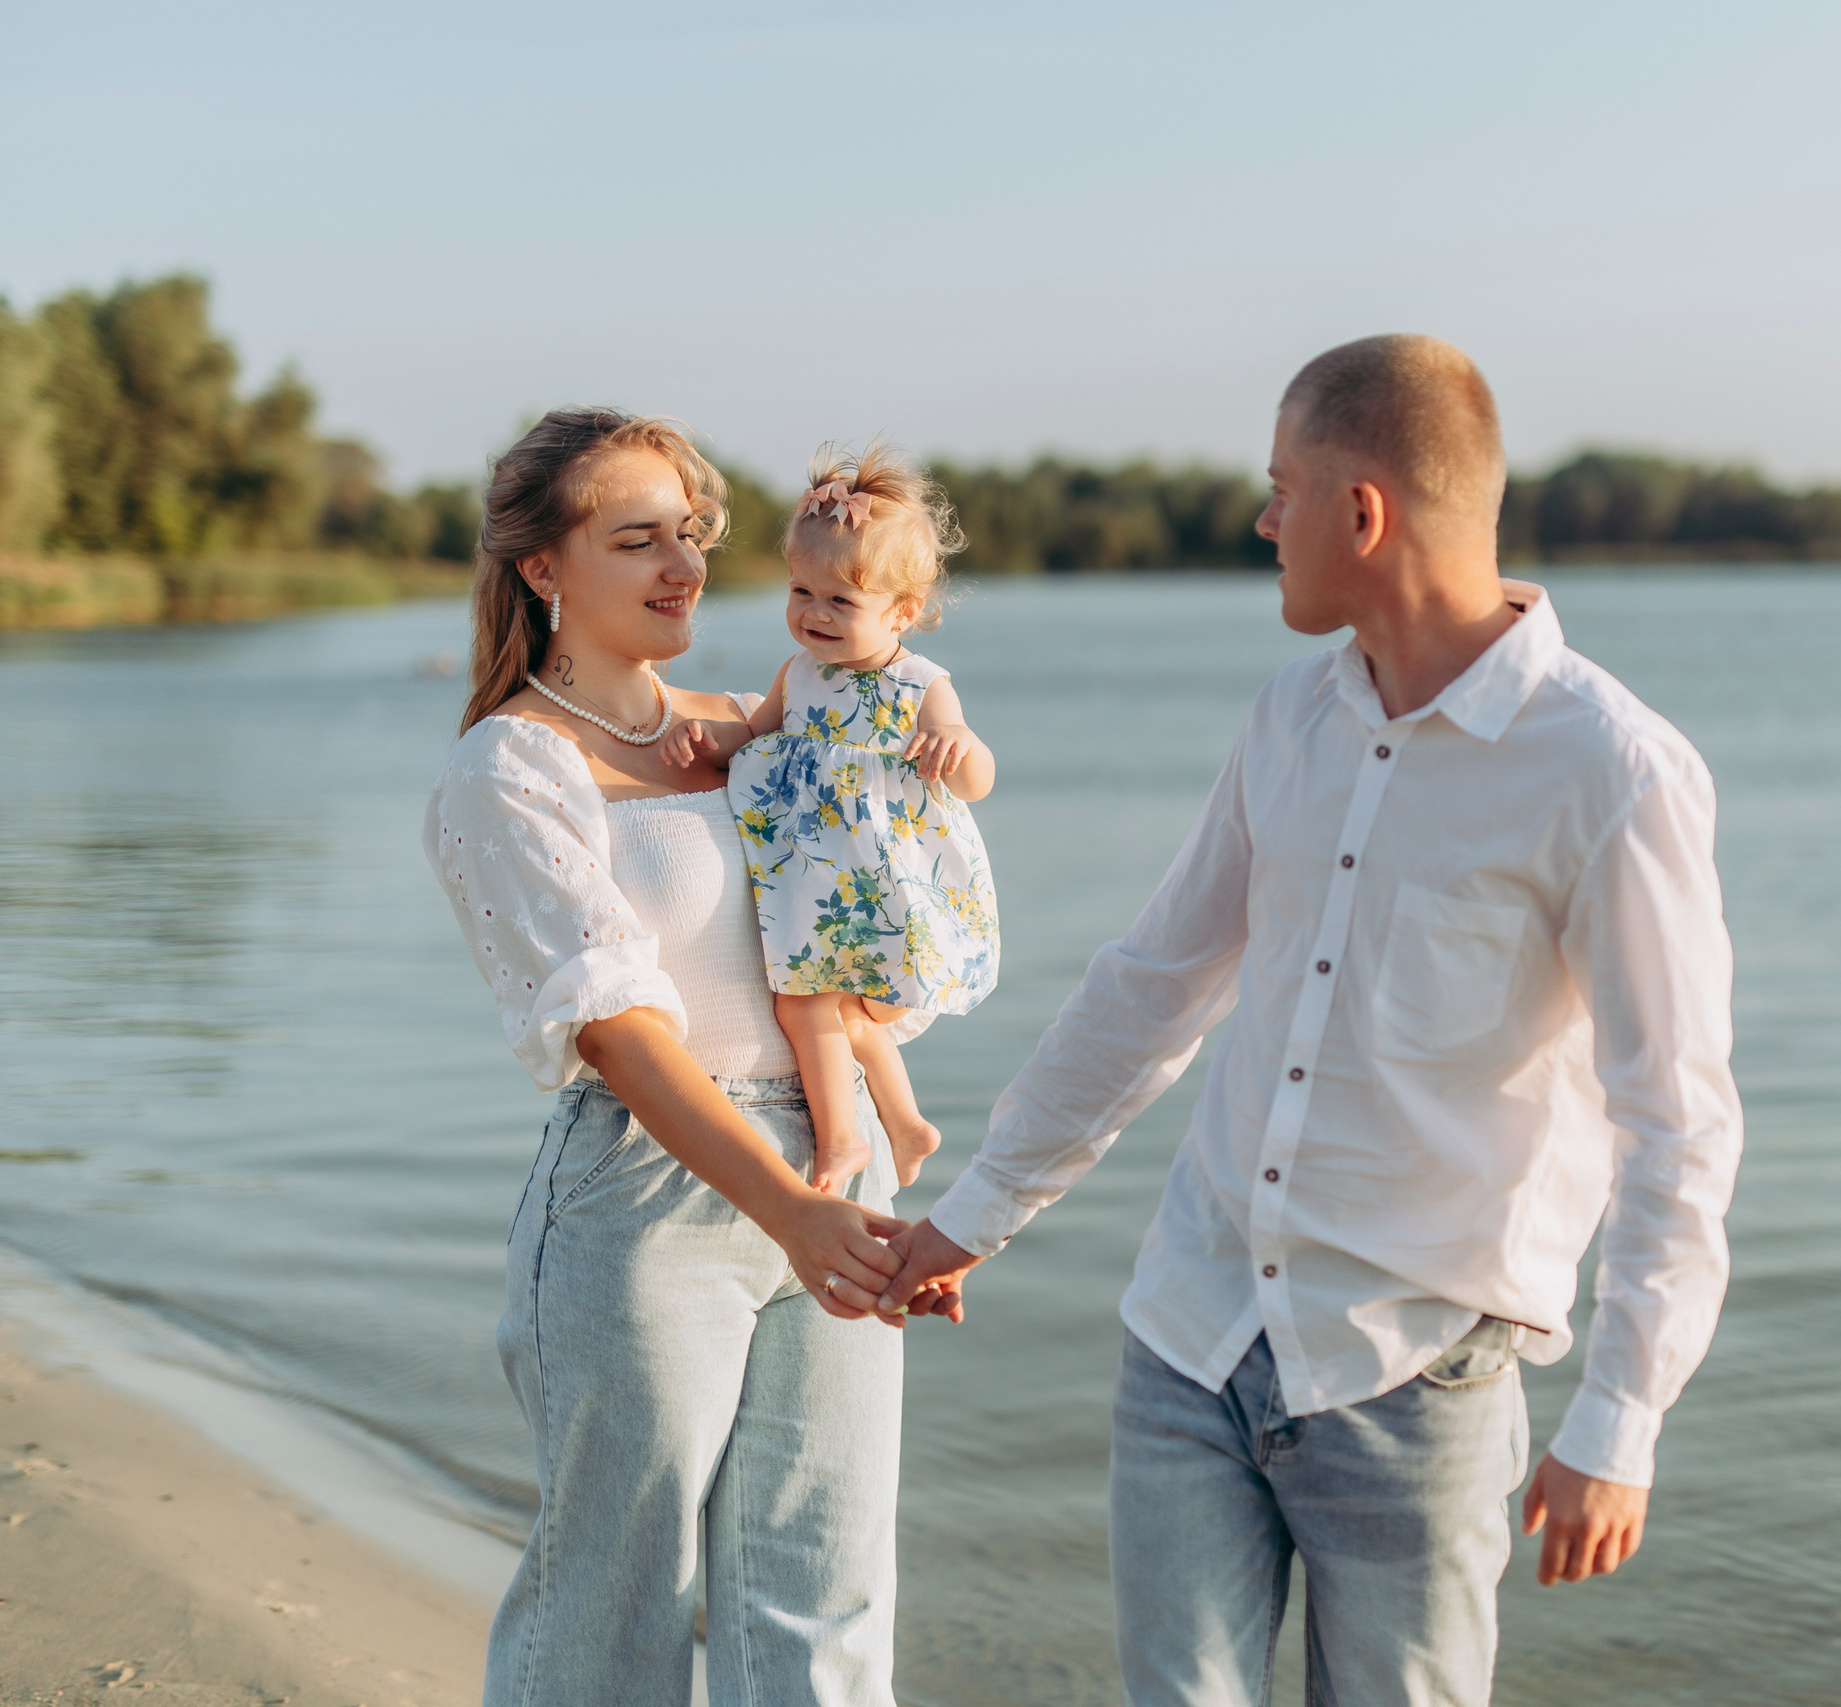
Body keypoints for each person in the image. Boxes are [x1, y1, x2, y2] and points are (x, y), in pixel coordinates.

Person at [877, 335, 1745, 1705]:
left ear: (1364, 511)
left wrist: (1620, 1418)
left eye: (1285, 487)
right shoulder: (1289, 716)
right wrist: (975, 1209)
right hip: (1193, 1330)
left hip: (1418, 1376)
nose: (1263, 519)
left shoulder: (1612, 769)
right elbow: (1153, 983)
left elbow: (1678, 1125)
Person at [423, 408, 940, 1707]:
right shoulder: (510, 768)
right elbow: (622, 1032)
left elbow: (879, 922)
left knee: (824, 1604)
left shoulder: (757, 725)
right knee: (613, 1613)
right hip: (646, 1207)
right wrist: (797, 1207)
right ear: (543, 567)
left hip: (834, 1167)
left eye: (693, 535)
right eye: (636, 537)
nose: (683, 567)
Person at [658, 441, 999, 1194]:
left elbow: (977, 780)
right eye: (800, 591)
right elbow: (756, 736)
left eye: (840, 601)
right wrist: (703, 740)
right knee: (823, 1004)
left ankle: (846, 1138)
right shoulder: (799, 675)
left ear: (904, 611)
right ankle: (902, 1126)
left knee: (817, 1002)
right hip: (814, 874)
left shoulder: (919, 685)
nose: (812, 614)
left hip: (876, 879)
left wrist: (958, 744)